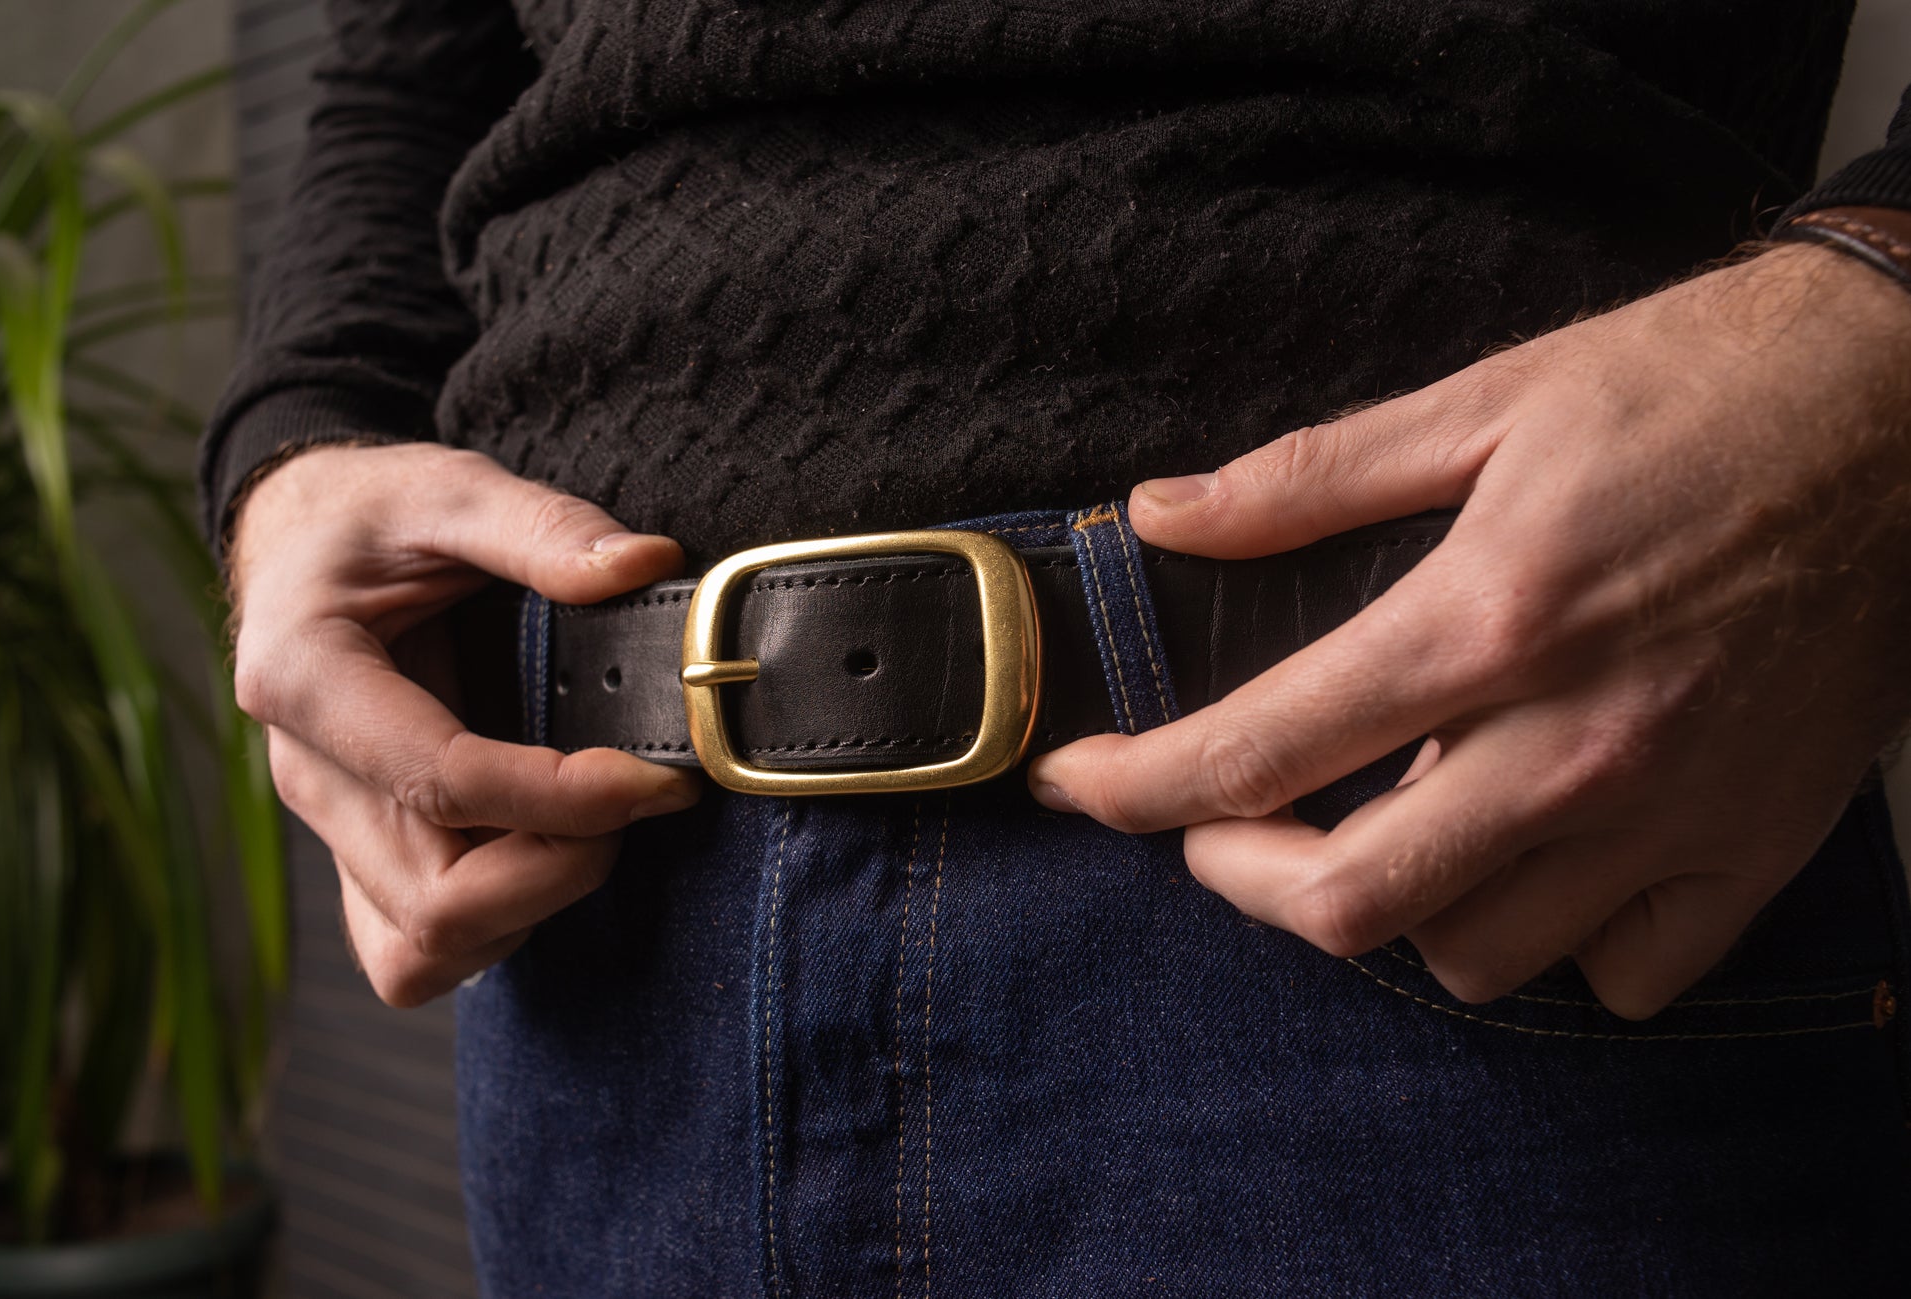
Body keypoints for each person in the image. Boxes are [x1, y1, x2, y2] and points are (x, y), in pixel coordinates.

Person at [207, 1, 1911, 1292]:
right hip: (609, 943)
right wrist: (300, 442)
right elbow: (408, 47)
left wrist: (1880, 311)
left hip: (1435, 812)